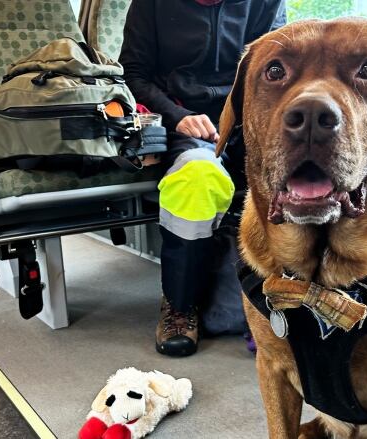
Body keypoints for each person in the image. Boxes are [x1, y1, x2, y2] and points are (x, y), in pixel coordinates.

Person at [120, 0, 286, 356]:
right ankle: (180, 305)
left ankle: (281, 301)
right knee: (197, 176)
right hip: (180, 119)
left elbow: (275, 71)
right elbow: (135, 75)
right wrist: (178, 115)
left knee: (292, 175)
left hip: (248, 116)